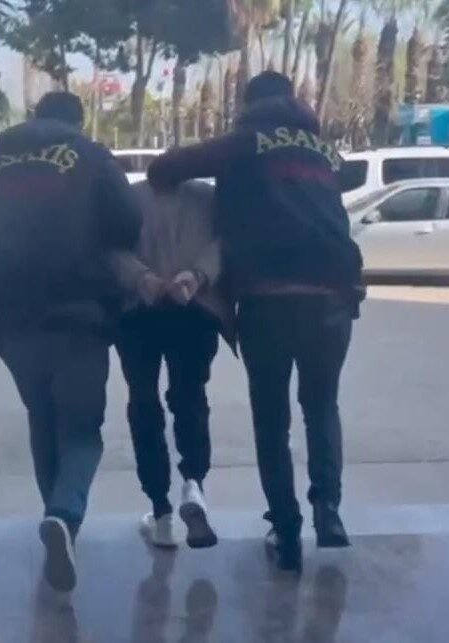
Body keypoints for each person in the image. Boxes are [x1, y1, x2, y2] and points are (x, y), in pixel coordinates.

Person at [146, 71, 364, 572]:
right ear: (293, 100)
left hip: (269, 298)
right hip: (333, 294)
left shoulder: (244, 143)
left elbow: (165, 169)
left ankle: (285, 529)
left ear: (249, 104)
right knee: (321, 406)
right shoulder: (323, 150)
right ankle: (328, 510)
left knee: (272, 419)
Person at [0, 92, 142, 592]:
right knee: (82, 430)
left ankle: (56, 520)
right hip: (79, 315)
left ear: (35, 117)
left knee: (42, 417)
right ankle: (64, 514)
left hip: (12, 323)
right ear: (77, 121)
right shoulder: (90, 156)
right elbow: (129, 222)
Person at [111, 179, 234, 550]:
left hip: (138, 311)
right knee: (190, 396)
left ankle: (161, 511)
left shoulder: (129, 197)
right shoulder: (210, 197)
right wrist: (197, 275)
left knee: (143, 402)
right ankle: (193, 484)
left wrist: (142, 278)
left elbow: (108, 249)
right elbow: (226, 243)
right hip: (195, 308)